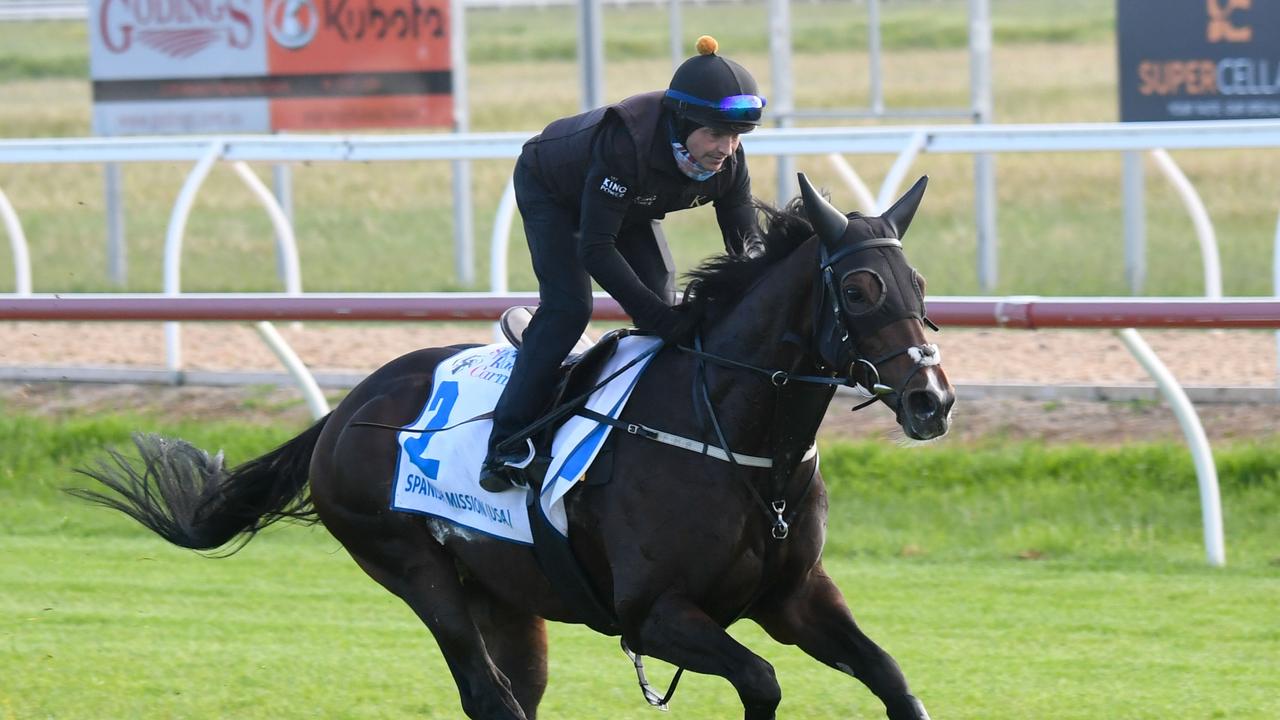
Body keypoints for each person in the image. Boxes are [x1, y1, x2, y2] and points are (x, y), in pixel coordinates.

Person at [480, 35, 768, 492]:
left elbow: (747, 247)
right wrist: (659, 318)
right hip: (553, 190)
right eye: (715, 134)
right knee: (570, 309)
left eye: (735, 136)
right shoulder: (625, 144)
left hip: (627, 203)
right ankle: (505, 443)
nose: (725, 149)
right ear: (681, 122)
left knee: (661, 301)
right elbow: (595, 248)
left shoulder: (729, 161)